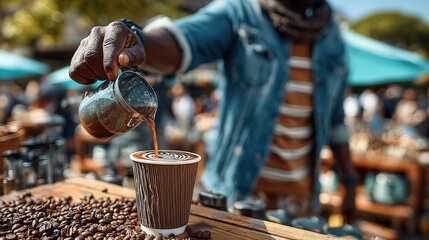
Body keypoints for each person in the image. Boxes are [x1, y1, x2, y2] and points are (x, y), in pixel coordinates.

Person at [69, 0, 358, 221]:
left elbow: (334, 121)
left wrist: (348, 180)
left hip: (302, 199)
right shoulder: (240, 13)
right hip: (235, 194)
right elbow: (182, 42)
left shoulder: (332, 35)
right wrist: (136, 38)